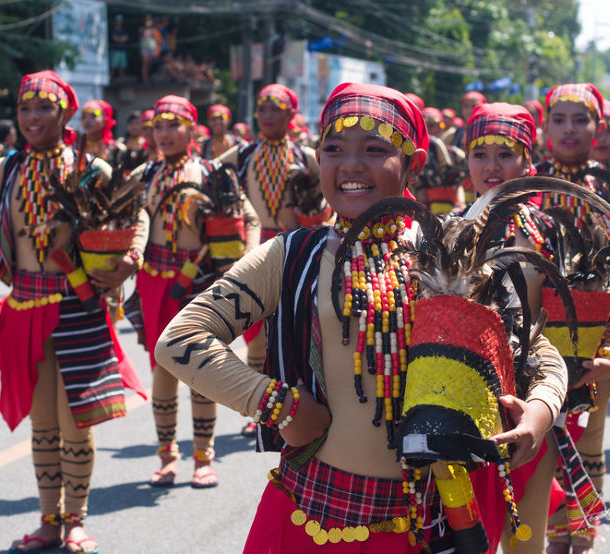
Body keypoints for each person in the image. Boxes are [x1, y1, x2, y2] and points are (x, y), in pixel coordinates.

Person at [155, 82, 566, 552]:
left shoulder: (452, 256)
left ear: (412, 162)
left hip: (423, 523)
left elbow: (541, 354)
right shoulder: (289, 256)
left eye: (374, 149)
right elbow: (181, 339)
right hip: (311, 514)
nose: (350, 164)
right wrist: (275, 404)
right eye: (333, 148)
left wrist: (538, 412)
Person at [0, 70, 146, 554]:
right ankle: (47, 520)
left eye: (43, 108)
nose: (32, 117)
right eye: (25, 108)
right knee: (43, 425)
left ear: (65, 114)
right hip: (24, 308)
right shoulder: (3, 170)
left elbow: (134, 214)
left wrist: (129, 260)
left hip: (77, 307)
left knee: (76, 420)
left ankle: (75, 520)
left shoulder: (88, 168)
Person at [130, 95, 260, 489]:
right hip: (155, 282)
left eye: (174, 125)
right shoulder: (143, 174)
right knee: (162, 370)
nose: (164, 134)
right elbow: (132, 218)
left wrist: (248, 259)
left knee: (199, 369)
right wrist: (130, 251)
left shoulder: (211, 172)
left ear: (191, 128)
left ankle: (203, 457)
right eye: (159, 126)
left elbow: (249, 217)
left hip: (200, 282)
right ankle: (167, 456)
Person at [463, 101, 569, 553]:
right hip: (462, 398)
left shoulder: (549, 231)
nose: (491, 166)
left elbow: (569, 317)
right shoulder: (448, 229)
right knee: (467, 537)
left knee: (525, 540)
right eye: (480, 154)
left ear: (528, 160)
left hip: (528, 399)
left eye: (505, 153)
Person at [538, 84, 610, 554]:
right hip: (533, 346)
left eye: (581, 119)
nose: (570, 129)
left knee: (589, 443)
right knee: (544, 448)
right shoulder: (524, 187)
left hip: (594, 348)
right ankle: (558, 535)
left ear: (600, 127)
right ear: (545, 126)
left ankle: (584, 533)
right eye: (559, 119)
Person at [220, 84, 327, 437]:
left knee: (290, 329)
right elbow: (208, 173)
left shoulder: (304, 154)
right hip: (253, 246)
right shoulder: (244, 153)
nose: (266, 115)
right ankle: (262, 407)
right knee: (254, 335)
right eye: (262, 108)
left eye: (275, 109)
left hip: (295, 249)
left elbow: (329, 188)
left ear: (290, 115)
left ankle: (293, 401)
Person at [79, 99, 126, 163]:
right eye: (84, 117)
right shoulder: (76, 147)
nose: (87, 121)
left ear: (105, 120)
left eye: (93, 116)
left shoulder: (115, 149)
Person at [109, 14, 129, 80]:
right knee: (113, 66)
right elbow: (114, 38)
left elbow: (127, 37)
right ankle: (111, 79)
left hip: (122, 50)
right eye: (118, 21)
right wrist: (121, 39)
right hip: (115, 50)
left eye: (120, 21)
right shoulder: (113, 30)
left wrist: (119, 39)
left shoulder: (123, 30)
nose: (119, 22)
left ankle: (122, 79)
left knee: (122, 67)